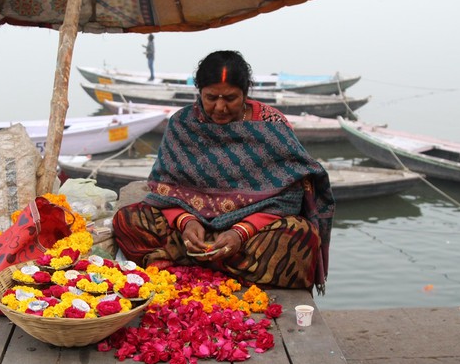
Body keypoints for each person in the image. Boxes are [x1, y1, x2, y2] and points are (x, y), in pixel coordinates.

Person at [112, 50, 335, 294]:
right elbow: (164, 188)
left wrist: (241, 232)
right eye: (211, 97)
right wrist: (185, 222)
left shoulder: (271, 125)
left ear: (245, 93)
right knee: (128, 220)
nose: (220, 107)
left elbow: (289, 196)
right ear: (199, 92)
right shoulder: (182, 123)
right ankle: (222, 265)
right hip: (190, 230)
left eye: (230, 98)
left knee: (301, 237)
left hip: (252, 234)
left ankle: (189, 262)